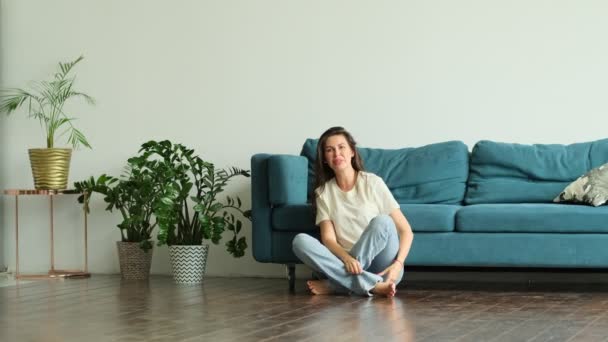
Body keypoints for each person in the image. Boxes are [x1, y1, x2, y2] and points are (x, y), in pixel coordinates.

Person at [292, 126, 414, 297]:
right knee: (300, 241)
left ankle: (336, 284)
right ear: (325, 159)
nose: (336, 154)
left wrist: (399, 263)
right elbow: (328, 239)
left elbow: (406, 230)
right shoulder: (323, 193)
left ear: (352, 152)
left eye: (341, 147)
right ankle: (370, 285)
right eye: (330, 150)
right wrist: (348, 259)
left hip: (381, 265)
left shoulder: (373, 183)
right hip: (345, 261)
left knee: (383, 221)